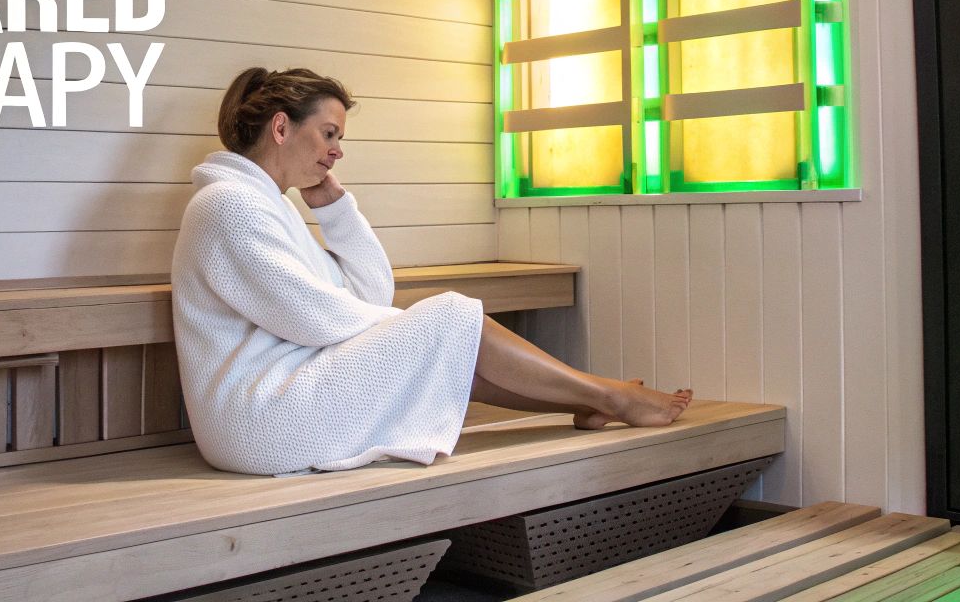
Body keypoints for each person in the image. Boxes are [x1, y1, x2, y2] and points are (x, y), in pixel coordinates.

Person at [172, 66, 694, 476]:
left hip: (288, 389)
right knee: (449, 318)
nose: (337, 151)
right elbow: (315, 319)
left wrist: (334, 209)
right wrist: (410, 327)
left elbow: (371, 291)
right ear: (282, 127)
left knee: (442, 331)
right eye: (329, 133)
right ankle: (605, 393)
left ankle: (590, 398)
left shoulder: (271, 205)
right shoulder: (227, 206)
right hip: (259, 416)